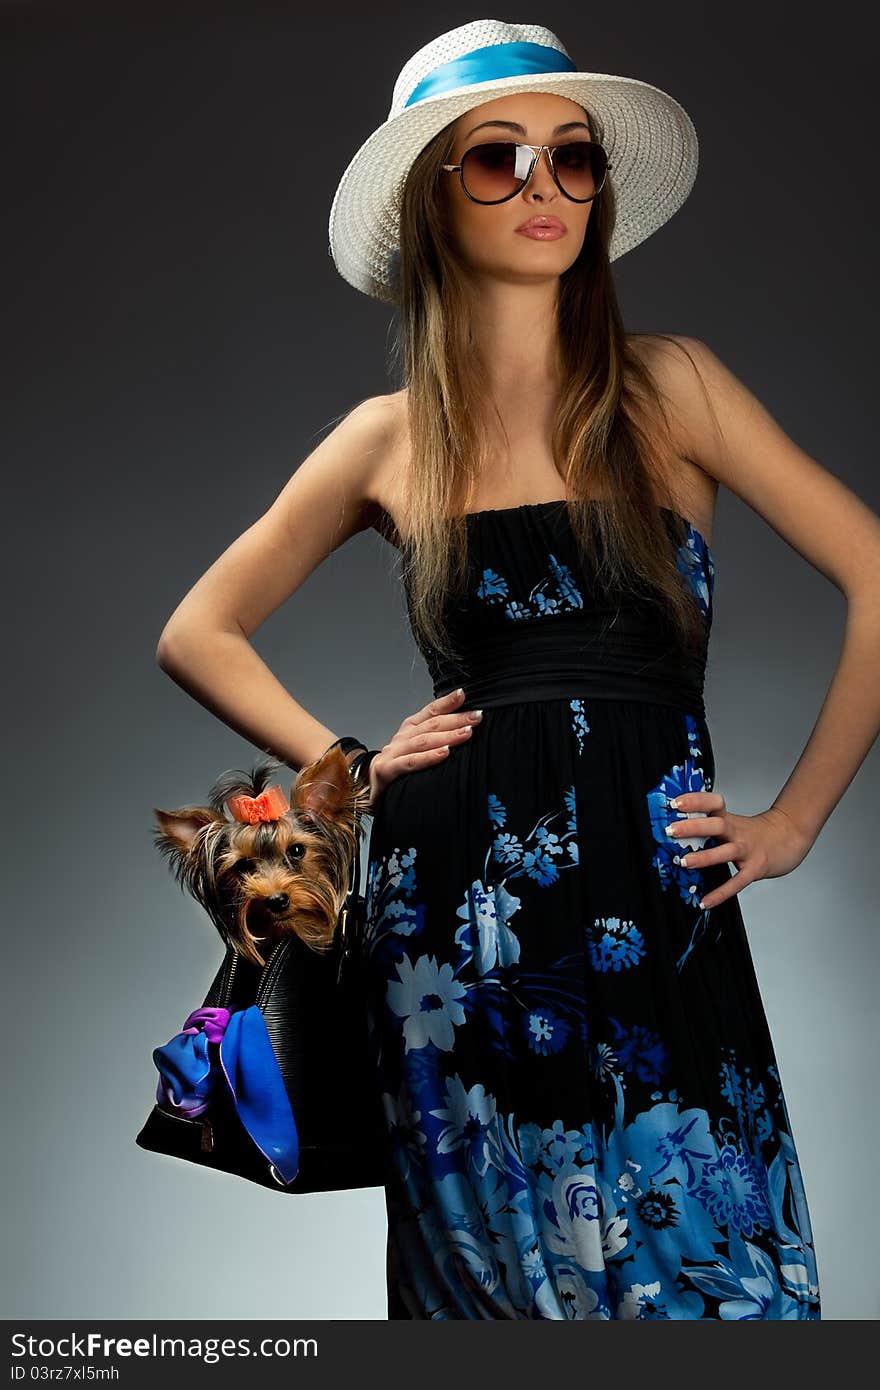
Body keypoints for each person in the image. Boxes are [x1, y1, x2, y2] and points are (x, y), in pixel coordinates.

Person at [156, 19, 880, 1319]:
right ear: (436, 203)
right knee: (487, 1307)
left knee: (718, 1283)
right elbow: (196, 626)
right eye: (497, 160)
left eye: (573, 160)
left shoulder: (679, 388)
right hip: (454, 933)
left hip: (659, 916)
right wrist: (360, 769)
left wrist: (794, 822)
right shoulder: (388, 438)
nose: (544, 187)